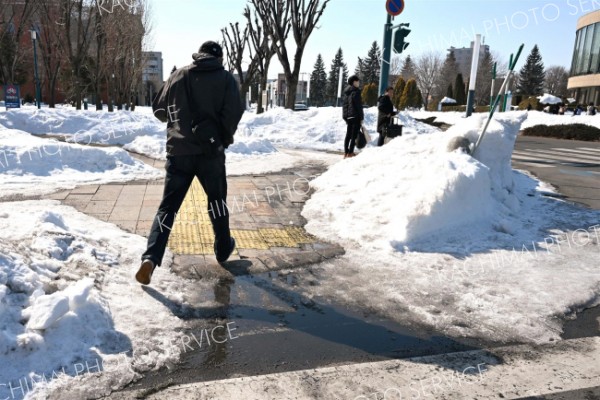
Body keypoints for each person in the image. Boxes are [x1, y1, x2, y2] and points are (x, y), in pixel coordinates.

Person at [136, 41, 244, 285]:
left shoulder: (178, 75)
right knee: (217, 202)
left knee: (168, 208)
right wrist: (222, 139)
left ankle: (151, 257)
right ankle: (223, 248)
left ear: (200, 54)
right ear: (218, 57)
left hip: (179, 153)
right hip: (210, 154)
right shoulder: (226, 79)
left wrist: (177, 121)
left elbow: (159, 110)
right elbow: (234, 113)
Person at [342, 75, 364, 158]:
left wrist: (345, 117)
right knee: (354, 135)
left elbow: (345, 106)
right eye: (358, 81)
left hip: (349, 117)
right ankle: (350, 153)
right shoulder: (356, 92)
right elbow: (359, 106)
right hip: (355, 116)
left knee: (348, 135)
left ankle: (346, 152)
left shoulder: (347, 93)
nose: (359, 83)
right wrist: (361, 117)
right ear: (354, 82)